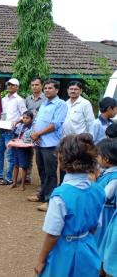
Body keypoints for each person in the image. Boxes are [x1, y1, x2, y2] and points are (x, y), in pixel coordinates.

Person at [34, 134, 105, 277]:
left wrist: (41, 260)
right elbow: (96, 226)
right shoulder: (98, 190)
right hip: (88, 247)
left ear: (61, 159)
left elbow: (53, 234)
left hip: (64, 251)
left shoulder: (60, 195)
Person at [29, 79, 68, 212]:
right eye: (45, 88)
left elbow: (55, 124)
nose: (46, 90)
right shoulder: (44, 103)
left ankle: (50, 200)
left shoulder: (60, 104)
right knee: (41, 170)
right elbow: (37, 121)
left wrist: (38, 133)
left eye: (50, 88)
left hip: (51, 144)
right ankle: (42, 195)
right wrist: (34, 134)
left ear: (57, 90)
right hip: (39, 142)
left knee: (50, 172)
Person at [0, 78, 27, 185]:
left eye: (12, 85)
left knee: (9, 155)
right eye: (8, 84)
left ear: (17, 87)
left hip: (12, 130)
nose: (10, 86)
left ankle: (8, 178)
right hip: (2, 129)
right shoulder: (3, 99)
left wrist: (15, 122)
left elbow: (24, 115)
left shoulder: (19, 100)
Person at [95, 139, 117, 255]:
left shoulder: (114, 177)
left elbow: (105, 195)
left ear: (106, 159)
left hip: (106, 214)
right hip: (103, 211)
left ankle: (100, 269)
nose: (97, 158)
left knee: (102, 240)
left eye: (98, 155)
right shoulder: (107, 172)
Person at [24, 77, 46, 184]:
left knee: (41, 156)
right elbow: (25, 115)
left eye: (37, 85)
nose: (34, 87)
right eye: (32, 85)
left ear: (41, 85)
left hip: (42, 131)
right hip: (29, 131)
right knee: (28, 154)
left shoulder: (46, 99)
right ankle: (27, 176)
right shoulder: (27, 99)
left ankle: (43, 181)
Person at [9, 111, 34, 191]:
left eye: (27, 118)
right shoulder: (20, 126)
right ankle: (14, 182)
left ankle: (22, 185)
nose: (25, 120)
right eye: (23, 118)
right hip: (17, 147)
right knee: (15, 165)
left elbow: (32, 138)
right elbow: (16, 134)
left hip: (25, 149)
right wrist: (14, 138)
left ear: (32, 119)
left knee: (24, 166)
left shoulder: (33, 127)